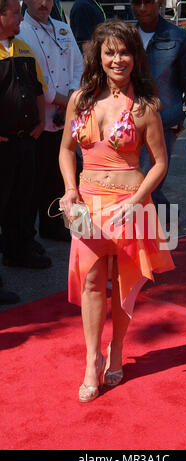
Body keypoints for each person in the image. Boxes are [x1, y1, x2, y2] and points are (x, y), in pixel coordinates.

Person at [58, 19, 175, 403]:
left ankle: (118, 349)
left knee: (124, 284)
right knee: (92, 282)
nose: (117, 59)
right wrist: (70, 190)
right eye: (110, 52)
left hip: (130, 208)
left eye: (124, 51)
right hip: (88, 207)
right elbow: (66, 151)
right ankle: (91, 360)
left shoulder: (143, 107)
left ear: (134, 56)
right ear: (99, 56)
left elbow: (159, 162)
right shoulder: (81, 100)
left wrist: (136, 198)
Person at [131, 0, 186, 218]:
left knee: (146, 185)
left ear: (160, 3)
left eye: (148, 2)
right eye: (137, 2)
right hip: (127, 126)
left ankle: (158, 233)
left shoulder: (180, 39)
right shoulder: (126, 38)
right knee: (137, 185)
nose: (142, 8)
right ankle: (163, 221)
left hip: (163, 125)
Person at [18, 0, 83, 242]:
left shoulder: (62, 28)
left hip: (66, 113)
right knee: (35, 179)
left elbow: (78, 65)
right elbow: (36, 78)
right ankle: (30, 234)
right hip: (38, 118)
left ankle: (58, 226)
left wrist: (73, 97)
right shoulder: (21, 30)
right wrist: (65, 102)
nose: (43, 3)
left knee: (63, 174)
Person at [0, 0, 51, 269]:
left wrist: (42, 121)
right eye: (15, 12)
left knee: (21, 202)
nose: (21, 18)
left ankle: (17, 253)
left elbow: (38, 88)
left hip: (25, 141)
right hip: (2, 145)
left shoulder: (24, 48)